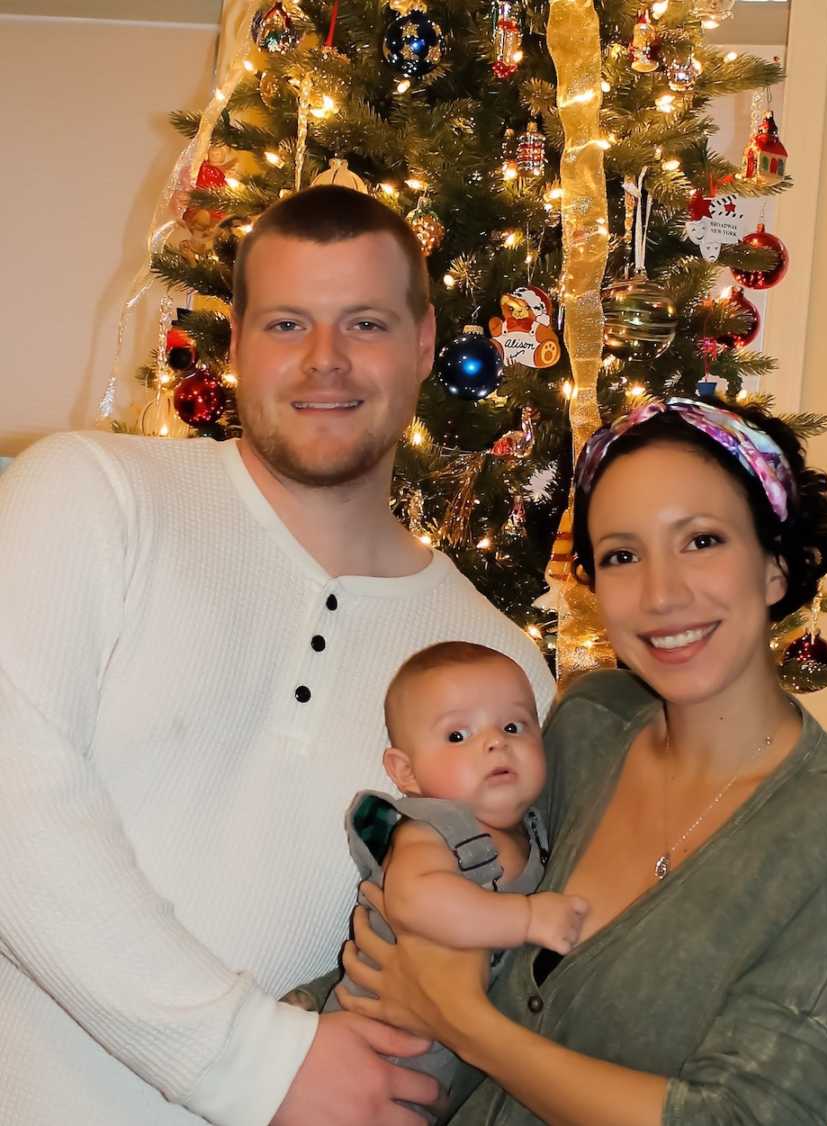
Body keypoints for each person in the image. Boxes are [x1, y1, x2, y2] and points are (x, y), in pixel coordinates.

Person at [0, 185, 555, 1126]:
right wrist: (252, 1062)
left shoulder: (504, 670)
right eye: (288, 322)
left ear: (424, 345)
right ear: (237, 339)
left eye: (366, 323)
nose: (324, 361)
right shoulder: (93, 496)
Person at [337, 396, 827, 1125]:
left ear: (774, 565)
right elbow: (450, 876)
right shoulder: (588, 723)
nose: (662, 595)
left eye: (701, 541)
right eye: (623, 556)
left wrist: (462, 1021)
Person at [321, 642, 586, 1117]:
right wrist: (526, 916)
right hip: (368, 1057)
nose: (495, 742)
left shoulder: (537, 832)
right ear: (406, 772)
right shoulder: (431, 830)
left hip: (442, 1076)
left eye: (512, 726)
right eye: (458, 735)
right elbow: (416, 901)